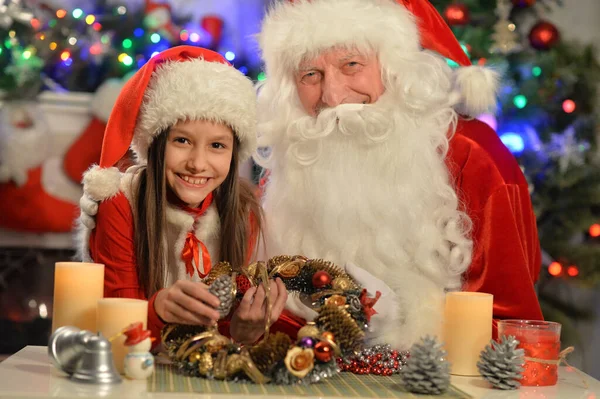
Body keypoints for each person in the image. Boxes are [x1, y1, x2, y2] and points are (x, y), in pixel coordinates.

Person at [253, 0, 543, 349]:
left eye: (351, 65)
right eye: (310, 75)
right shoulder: (292, 164)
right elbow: (266, 310)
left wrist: (412, 333)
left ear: (394, 66)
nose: (332, 95)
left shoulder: (473, 155)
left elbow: (513, 329)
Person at [76, 46, 290, 346]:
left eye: (217, 146)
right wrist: (157, 311)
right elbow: (114, 334)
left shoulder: (243, 213)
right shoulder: (120, 204)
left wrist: (242, 333)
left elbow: (222, 335)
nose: (198, 163)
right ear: (155, 143)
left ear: (234, 153)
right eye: (182, 140)